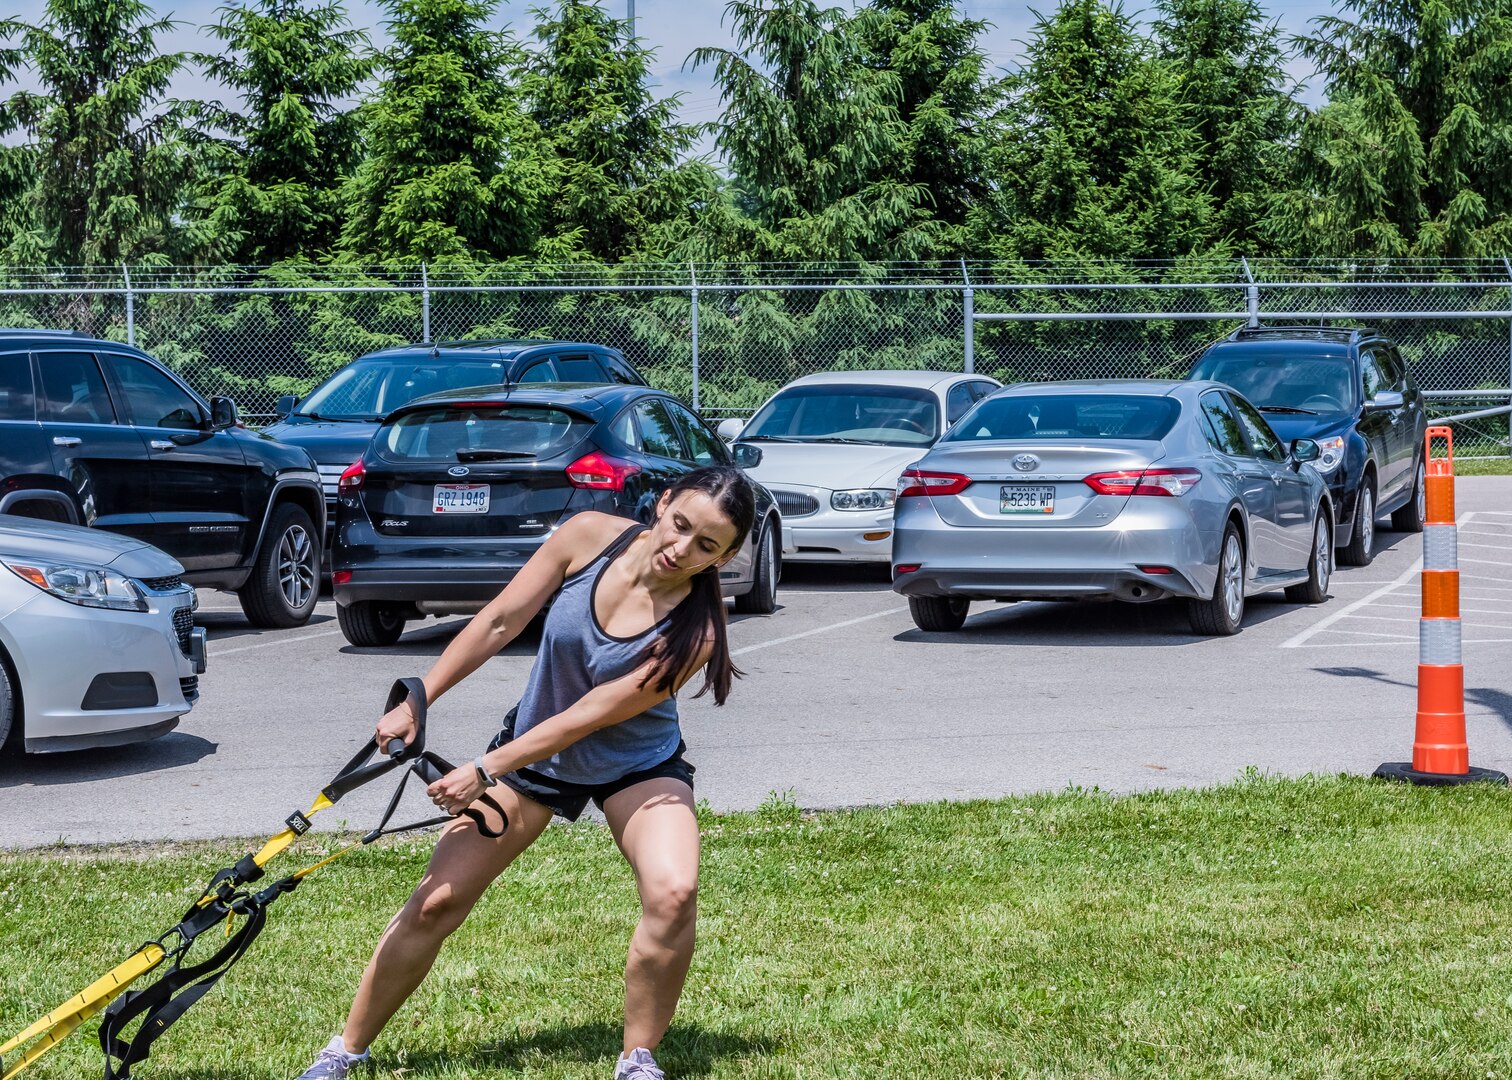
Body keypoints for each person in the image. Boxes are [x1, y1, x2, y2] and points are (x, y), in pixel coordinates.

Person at [296, 466, 758, 1080]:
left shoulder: (695, 630)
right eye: (681, 526)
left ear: (726, 556)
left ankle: (637, 1061)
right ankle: (345, 1051)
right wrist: (418, 700)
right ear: (665, 503)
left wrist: (485, 768)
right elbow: (498, 621)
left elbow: (591, 715)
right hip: (534, 757)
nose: (682, 550)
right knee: (437, 901)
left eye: (707, 546)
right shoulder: (588, 534)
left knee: (674, 893)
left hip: (636, 765)